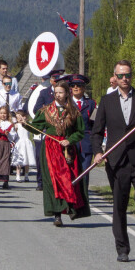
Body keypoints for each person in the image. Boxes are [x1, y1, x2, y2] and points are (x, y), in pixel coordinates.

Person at [92, 60, 135, 262]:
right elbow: (97, 131)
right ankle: (122, 248)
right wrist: (97, 152)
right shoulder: (107, 101)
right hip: (117, 161)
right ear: (115, 77)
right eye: (120, 76)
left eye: (127, 75)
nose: (124, 79)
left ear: (131, 76)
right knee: (119, 204)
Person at [29, 80, 91, 226]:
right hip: (51, 149)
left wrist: (70, 140)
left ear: (67, 93)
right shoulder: (45, 111)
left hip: (67, 150)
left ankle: (71, 208)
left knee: (70, 179)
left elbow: (80, 132)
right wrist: (24, 123)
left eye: (60, 92)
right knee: (53, 181)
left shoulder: (74, 111)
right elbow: (35, 128)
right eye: (55, 92)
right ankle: (57, 214)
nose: (58, 95)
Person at [68, 74, 96, 187]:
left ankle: (84, 199)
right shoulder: (67, 103)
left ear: (83, 88)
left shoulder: (91, 104)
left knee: (84, 172)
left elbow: (95, 124)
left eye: (78, 85)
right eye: (73, 85)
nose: (75, 87)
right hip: (71, 143)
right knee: (71, 172)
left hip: (86, 142)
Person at [12, 109, 36, 183]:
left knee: (27, 160)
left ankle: (26, 175)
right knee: (19, 160)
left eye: (21, 117)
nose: (19, 119)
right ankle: (18, 176)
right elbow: (14, 134)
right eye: (17, 118)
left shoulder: (27, 124)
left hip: (27, 143)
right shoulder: (17, 125)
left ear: (25, 117)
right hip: (19, 143)